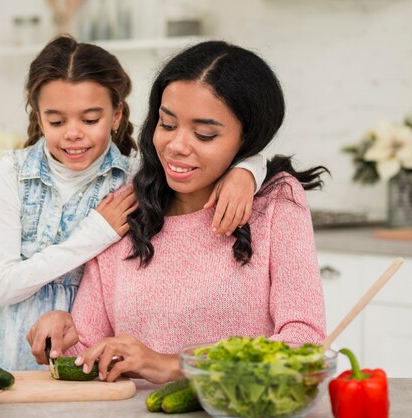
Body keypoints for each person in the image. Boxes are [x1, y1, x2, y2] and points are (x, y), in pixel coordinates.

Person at [0, 36, 268, 371]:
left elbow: (209, 155)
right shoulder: (14, 171)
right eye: (57, 121)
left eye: (90, 120)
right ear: (38, 116)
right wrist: (96, 233)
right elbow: (3, 289)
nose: (73, 133)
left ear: (117, 114)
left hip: (78, 336)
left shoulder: (134, 173)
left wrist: (247, 169)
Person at [26, 40, 330, 384]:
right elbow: (89, 352)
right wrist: (62, 335)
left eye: (204, 134)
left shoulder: (275, 202)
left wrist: (174, 366)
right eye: (167, 125)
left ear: (247, 139)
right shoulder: (125, 208)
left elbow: (303, 341)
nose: (176, 146)